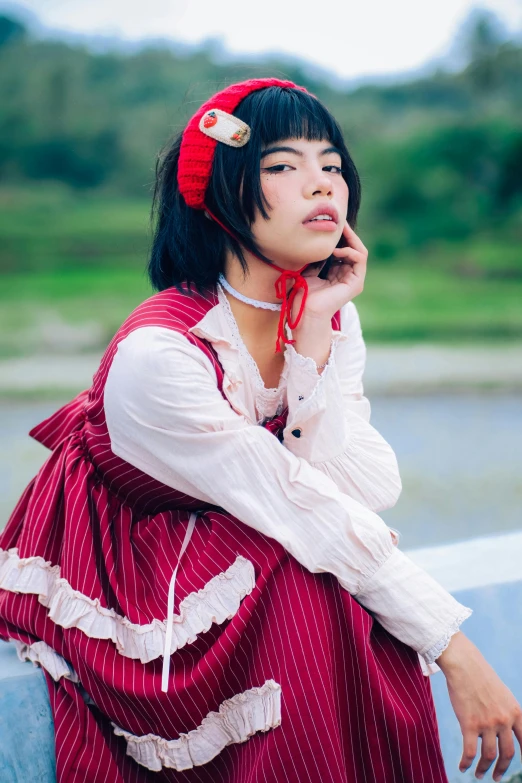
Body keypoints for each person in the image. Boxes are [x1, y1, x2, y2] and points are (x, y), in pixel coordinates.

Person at [0, 77, 520, 783]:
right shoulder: (161, 356)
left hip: (245, 527)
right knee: (302, 576)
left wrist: (310, 346)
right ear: (219, 195)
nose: (321, 186)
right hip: (131, 560)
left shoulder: (327, 314)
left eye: (331, 164)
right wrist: (455, 646)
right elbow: (295, 504)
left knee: (324, 574)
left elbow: (368, 483)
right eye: (283, 166)